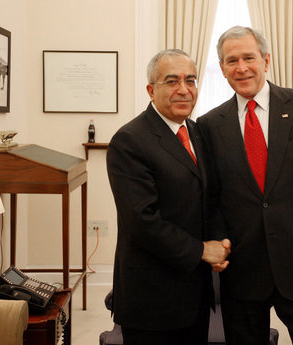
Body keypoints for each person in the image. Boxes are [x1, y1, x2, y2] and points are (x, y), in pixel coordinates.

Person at [196, 26, 293, 345]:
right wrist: (218, 245)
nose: (241, 68)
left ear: (266, 60)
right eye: (231, 60)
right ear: (222, 68)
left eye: (249, 58)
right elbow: (212, 198)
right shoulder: (209, 124)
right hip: (242, 269)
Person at [107, 49, 231, 345]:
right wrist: (202, 250)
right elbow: (142, 221)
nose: (184, 90)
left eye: (191, 80)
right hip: (151, 298)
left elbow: (210, 199)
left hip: (195, 295)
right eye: (172, 81)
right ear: (151, 90)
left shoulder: (198, 133)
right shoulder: (130, 140)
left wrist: (221, 243)